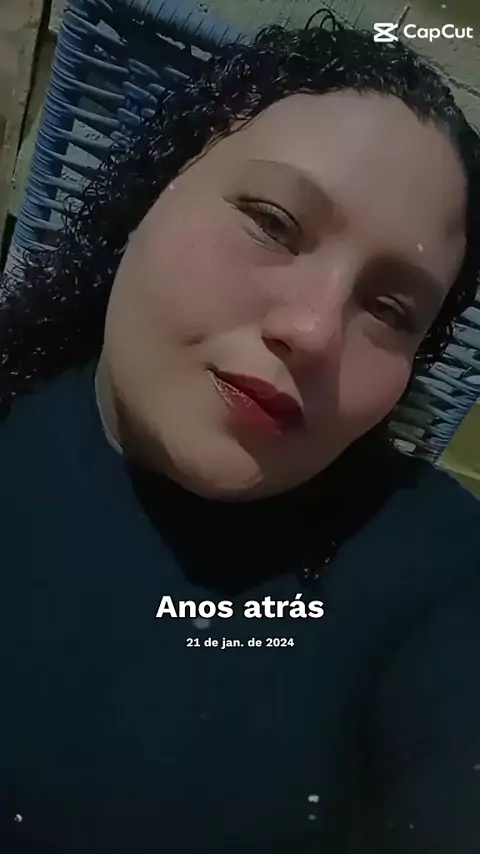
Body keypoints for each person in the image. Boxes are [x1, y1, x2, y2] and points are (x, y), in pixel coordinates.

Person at [0, 12, 479, 854]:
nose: (315, 330)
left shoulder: (440, 571)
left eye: (389, 308)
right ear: (150, 191)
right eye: (273, 221)